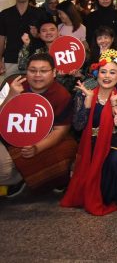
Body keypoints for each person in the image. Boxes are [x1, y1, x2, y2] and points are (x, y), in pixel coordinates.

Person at [61, 51, 117, 215]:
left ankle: (116, 198)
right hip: (90, 142)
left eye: (112, 72)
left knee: (114, 158)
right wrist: (87, 105)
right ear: (97, 74)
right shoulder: (84, 94)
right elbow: (78, 126)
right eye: (103, 72)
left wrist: (114, 104)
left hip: (116, 141)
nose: (107, 76)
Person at [0, 54, 77, 196]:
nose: (37, 75)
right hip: (7, 138)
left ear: (54, 73)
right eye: (32, 70)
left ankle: (47, 179)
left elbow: (60, 130)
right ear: (26, 71)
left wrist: (37, 148)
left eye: (43, 71)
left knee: (68, 149)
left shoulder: (62, 95)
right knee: (5, 171)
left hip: (42, 138)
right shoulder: (12, 84)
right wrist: (11, 96)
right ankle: (17, 179)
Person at [0, 0, 43, 79]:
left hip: (35, 59)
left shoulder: (39, 13)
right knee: (10, 86)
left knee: (36, 86)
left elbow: (48, 36)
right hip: (11, 59)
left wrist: (37, 35)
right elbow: (1, 38)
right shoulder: (5, 14)